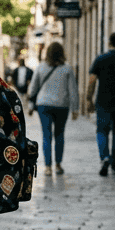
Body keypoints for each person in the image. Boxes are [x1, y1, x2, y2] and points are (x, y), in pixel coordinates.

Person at [26, 41, 78, 175]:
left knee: (46, 135)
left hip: (44, 105)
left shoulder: (41, 67)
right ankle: (58, 165)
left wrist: (31, 106)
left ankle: (48, 167)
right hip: (62, 106)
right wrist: (75, 109)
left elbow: (33, 88)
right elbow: (73, 90)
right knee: (59, 135)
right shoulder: (67, 68)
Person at [85, 31, 115, 176]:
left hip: (103, 102)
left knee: (102, 131)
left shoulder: (101, 59)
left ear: (109, 43)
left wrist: (89, 98)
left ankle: (105, 157)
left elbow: (92, 80)